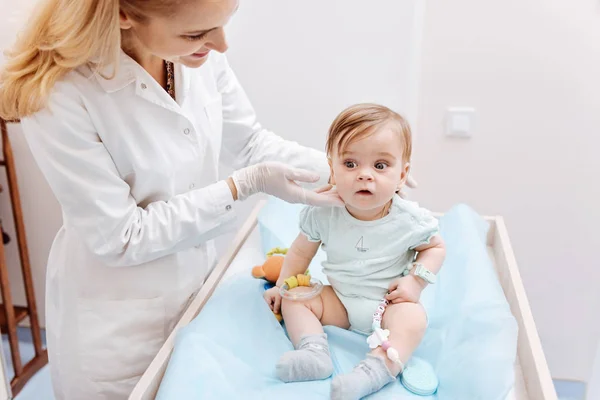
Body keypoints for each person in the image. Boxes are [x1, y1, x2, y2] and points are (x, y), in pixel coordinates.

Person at [0, 0, 365, 398]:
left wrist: (351, 173)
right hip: (117, 330)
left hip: (197, 294)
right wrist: (239, 187)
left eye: (223, 24)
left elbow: (250, 144)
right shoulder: (60, 92)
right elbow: (122, 235)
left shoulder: (195, 54)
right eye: (196, 33)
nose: (221, 45)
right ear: (122, 14)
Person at [263, 103, 445, 399]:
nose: (364, 175)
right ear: (332, 169)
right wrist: (284, 285)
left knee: (413, 320)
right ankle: (314, 354)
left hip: (388, 304)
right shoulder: (323, 212)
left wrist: (416, 281)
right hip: (340, 301)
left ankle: (374, 371)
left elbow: (435, 247)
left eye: (380, 165)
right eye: (350, 164)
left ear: (402, 174)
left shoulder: (410, 219)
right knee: (295, 298)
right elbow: (299, 252)